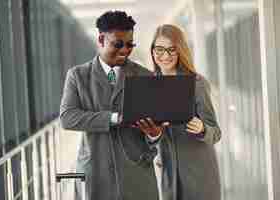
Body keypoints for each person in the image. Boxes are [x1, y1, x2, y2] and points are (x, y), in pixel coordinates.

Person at [59, 10, 168, 200]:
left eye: (129, 45)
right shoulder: (78, 76)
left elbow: (155, 131)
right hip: (96, 175)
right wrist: (114, 118)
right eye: (118, 44)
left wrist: (154, 134)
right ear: (101, 39)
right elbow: (67, 118)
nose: (125, 50)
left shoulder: (145, 76)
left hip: (136, 175)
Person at [144, 24, 222, 200]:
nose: (165, 56)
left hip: (199, 175)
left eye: (171, 50)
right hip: (169, 175)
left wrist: (202, 129)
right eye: (159, 49)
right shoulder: (147, 86)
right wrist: (153, 135)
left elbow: (216, 133)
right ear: (152, 51)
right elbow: (146, 139)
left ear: (180, 51)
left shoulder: (196, 83)